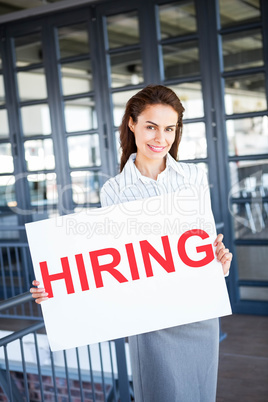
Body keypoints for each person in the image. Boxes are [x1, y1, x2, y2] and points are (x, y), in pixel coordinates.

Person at [31, 85, 232, 402]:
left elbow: (202, 249)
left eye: (169, 128)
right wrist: (57, 286)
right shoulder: (114, 190)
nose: (160, 138)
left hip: (198, 314)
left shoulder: (194, 176)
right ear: (132, 124)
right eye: (151, 126)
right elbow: (108, 260)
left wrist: (218, 263)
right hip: (151, 318)